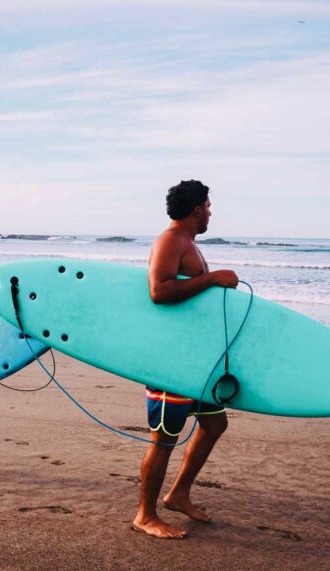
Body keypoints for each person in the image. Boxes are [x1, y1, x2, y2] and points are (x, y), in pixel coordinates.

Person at [132, 180, 239, 539]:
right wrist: (211, 279)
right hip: (170, 364)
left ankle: (178, 493)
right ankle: (145, 515)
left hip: (195, 364)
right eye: (208, 206)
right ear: (196, 209)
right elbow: (158, 291)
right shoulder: (171, 241)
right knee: (163, 438)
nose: (210, 212)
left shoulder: (187, 243)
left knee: (214, 424)